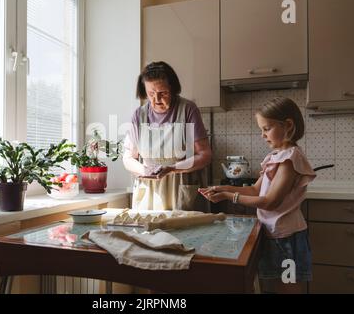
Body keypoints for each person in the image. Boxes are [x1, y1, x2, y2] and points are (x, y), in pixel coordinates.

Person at [199, 97, 316, 294]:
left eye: (267, 128)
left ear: (288, 125)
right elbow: (255, 190)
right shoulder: (275, 156)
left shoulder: (290, 158)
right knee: (273, 286)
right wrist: (223, 189)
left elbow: (269, 202)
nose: (262, 135)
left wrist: (229, 196)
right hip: (272, 234)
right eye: (261, 129)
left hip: (287, 238)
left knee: (288, 289)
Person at [123, 61, 212, 211]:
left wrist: (172, 168)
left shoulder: (187, 109)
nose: (156, 99)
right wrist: (144, 170)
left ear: (173, 89)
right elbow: (128, 158)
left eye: (162, 93)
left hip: (181, 189)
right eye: (151, 93)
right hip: (149, 192)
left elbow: (205, 155)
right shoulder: (139, 115)